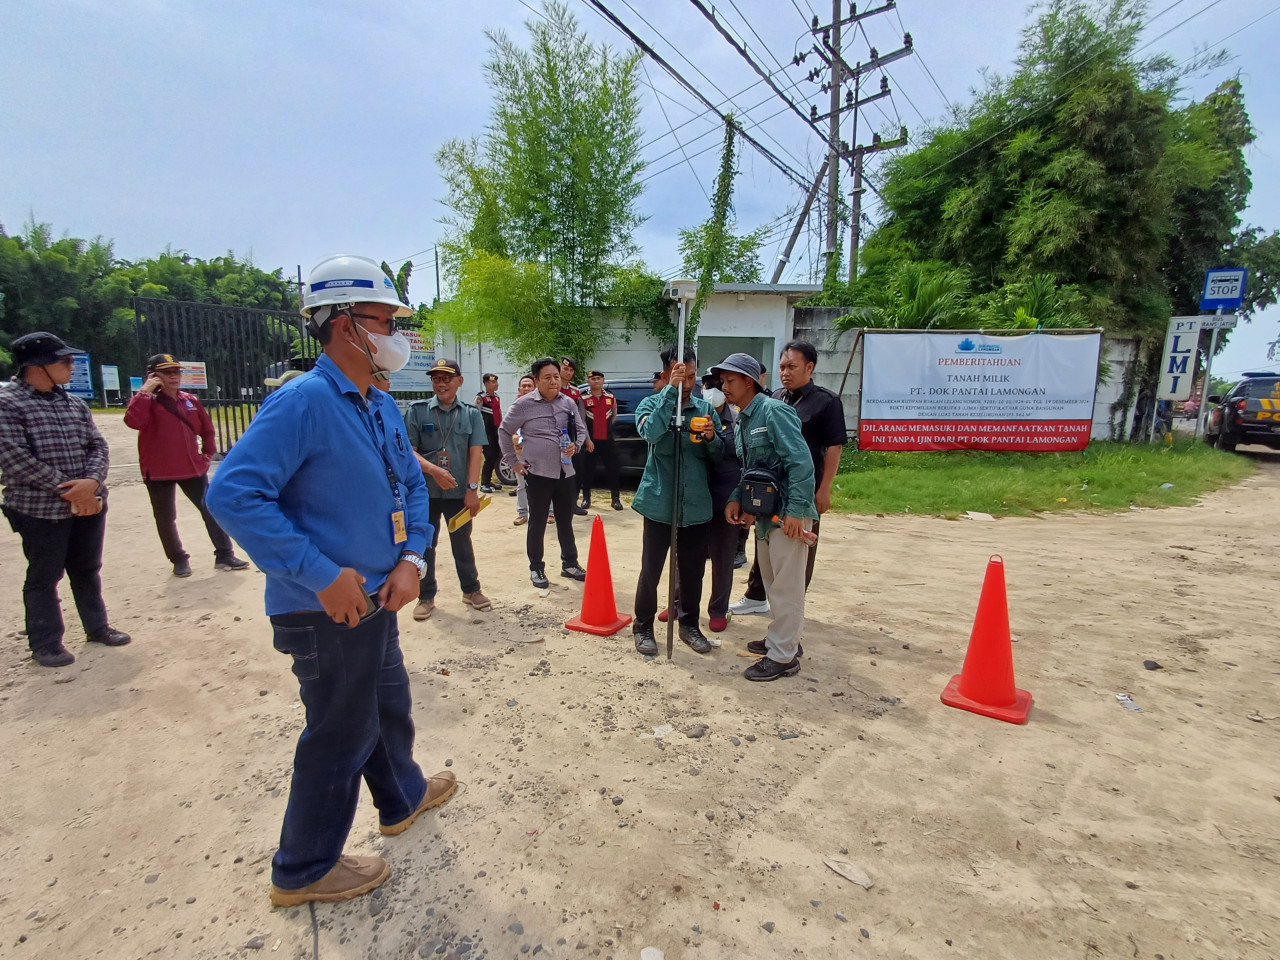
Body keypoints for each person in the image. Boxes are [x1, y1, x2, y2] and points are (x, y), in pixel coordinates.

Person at [206, 254, 455, 907]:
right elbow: (234, 495)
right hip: (325, 612)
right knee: (340, 734)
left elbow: (410, 487)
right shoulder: (305, 401)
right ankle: (304, 868)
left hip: (378, 596)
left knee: (387, 705)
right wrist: (319, 574)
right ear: (345, 324)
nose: (398, 334)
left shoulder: (376, 404)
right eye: (386, 320)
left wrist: (413, 560)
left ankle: (400, 799)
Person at [0, 332, 131, 668]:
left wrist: (91, 482)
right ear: (38, 365)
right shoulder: (7, 403)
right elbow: (13, 457)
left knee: (87, 568)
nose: (72, 366)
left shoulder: (73, 403)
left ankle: (97, 626)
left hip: (89, 503)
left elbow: (97, 446)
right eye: (65, 361)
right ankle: (46, 643)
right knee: (45, 574)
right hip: (39, 509)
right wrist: (71, 490)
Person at [711, 352, 816, 682]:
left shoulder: (774, 411)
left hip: (787, 515)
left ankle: (784, 657)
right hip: (766, 516)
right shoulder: (743, 418)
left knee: (786, 587)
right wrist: (737, 500)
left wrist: (797, 512)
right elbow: (750, 471)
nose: (723, 387)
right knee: (772, 583)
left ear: (748, 381)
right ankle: (782, 641)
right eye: (722, 381)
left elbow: (800, 463)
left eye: (729, 381)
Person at [729, 340, 846, 617]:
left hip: (802, 490)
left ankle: (791, 613)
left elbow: (833, 448)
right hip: (770, 494)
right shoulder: (775, 398)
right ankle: (757, 596)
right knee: (767, 545)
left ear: (809, 367)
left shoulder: (826, 401)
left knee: (795, 557)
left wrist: (824, 489)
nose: (785, 372)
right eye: (782, 366)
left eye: (792, 366)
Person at [630, 346, 723, 657]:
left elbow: (720, 454)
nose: (689, 383)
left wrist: (711, 438)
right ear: (666, 374)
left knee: (693, 570)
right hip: (659, 502)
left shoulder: (705, 410)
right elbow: (652, 434)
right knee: (651, 569)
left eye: (693, 377)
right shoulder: (650, 404)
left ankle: (689, 625)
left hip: (695, 505)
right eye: (682, 376)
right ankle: (642, 626)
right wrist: (670, 393)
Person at [124, 353, 249, 577]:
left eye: (176, 371)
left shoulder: (189, 400)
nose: (174, 376)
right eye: (167, 372)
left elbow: (207, 430)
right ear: (153, 376)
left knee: (211, 508)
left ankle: (224, 554)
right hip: (158, 471)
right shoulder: (146, 401)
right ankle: (179, 559)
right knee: (165, 518)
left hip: (192, 468)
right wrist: (144, 392)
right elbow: (134, 422)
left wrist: (207, 455)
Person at [404, 359, 491, 621]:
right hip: (425, 492)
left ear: (459, 381)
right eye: (436, 378)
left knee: (462, 543)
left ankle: (471, 590)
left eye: (447, 378)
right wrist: (434, 471)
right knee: (426, 544)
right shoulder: (417, 411)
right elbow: (410, 452)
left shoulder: (471, 414)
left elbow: (476, 454)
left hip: (458, 493)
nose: (441, 383)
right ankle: (426, 596)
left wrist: (472, 489)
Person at [498, 357, 587, 588]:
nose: (553, 381)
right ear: (536, 380)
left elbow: (580, 429)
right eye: (547, 377)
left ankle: (570, 563)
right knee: (537, 522)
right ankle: (536, 568)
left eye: (556, 376)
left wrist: (575, 446)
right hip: (538, 474)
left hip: (565, 472)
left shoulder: (568, 402)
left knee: (565, 521)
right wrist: (513, 462)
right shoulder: (523, 405)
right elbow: (504, 430)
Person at [581, 370, 623, 511]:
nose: (596, 381)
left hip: (607, 439)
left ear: (603, 380)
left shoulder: (610, 397)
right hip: (590, 441)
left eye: (598, 378)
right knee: (588, 471)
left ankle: (615, 499)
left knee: (613, 469)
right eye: (593, 379)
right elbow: (581, 421)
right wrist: (587, 440)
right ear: (588, 381)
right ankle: (586, 498)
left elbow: (614, 416)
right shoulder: (583, 398)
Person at [558, 355, 590, 515]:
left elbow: (582, 419)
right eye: (565, 369)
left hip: (574, 436)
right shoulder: (552, 388)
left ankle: (573, 504)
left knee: (576, 471)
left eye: (571, 370)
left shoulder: (576, 392)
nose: (568, 372)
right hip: (555, 435)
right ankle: (555, 505)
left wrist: (585, 439)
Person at [510, 374, 536, 526]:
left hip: (540, 452)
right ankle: (522, 513)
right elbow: (509, 430)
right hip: (520, 452)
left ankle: (549, 512)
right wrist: (517, 440)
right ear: (519, 389)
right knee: (521, 485)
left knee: (544, 484)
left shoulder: (543, 404)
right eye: (523, 386)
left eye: (529, 385)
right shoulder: (514, 407)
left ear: (535, 387)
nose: (526, 388)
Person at [475, 373, 504, 493]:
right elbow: (475, 415)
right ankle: (484, 483)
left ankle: (489, 480)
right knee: (489, 456)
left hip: (496, 431)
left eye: (496, 382)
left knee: (496, 455)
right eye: (493, 382)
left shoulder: (496, 397)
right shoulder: (481, 398)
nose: (496, 384)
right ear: (486, 384)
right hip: (487, 432)